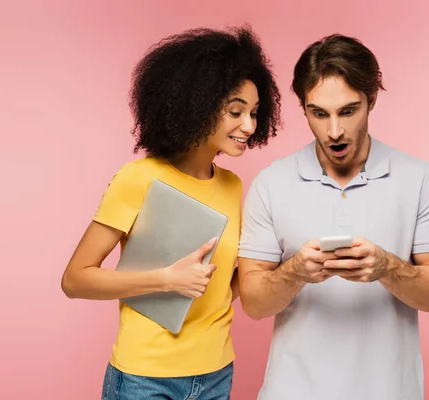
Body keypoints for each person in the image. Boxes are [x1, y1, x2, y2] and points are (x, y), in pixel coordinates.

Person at [61, 25, 281, 400]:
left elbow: (219, 289)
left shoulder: (232, 185)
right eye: (235, 111)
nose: (248, 126)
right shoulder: (138, 178)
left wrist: (270, 263)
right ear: (195, 103)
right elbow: (75, 280)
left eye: (255, 113)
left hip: (215, 372)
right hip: (145, 377)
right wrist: (166, 279)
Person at [238, 33, 429, 400]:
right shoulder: (271, 184)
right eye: (319, 114)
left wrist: (388, 267)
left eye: (348, 111)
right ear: (303, 108)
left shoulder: (420, 179)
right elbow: (253, 303)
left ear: (371, 100)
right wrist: (295, 272)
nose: (334, 131)